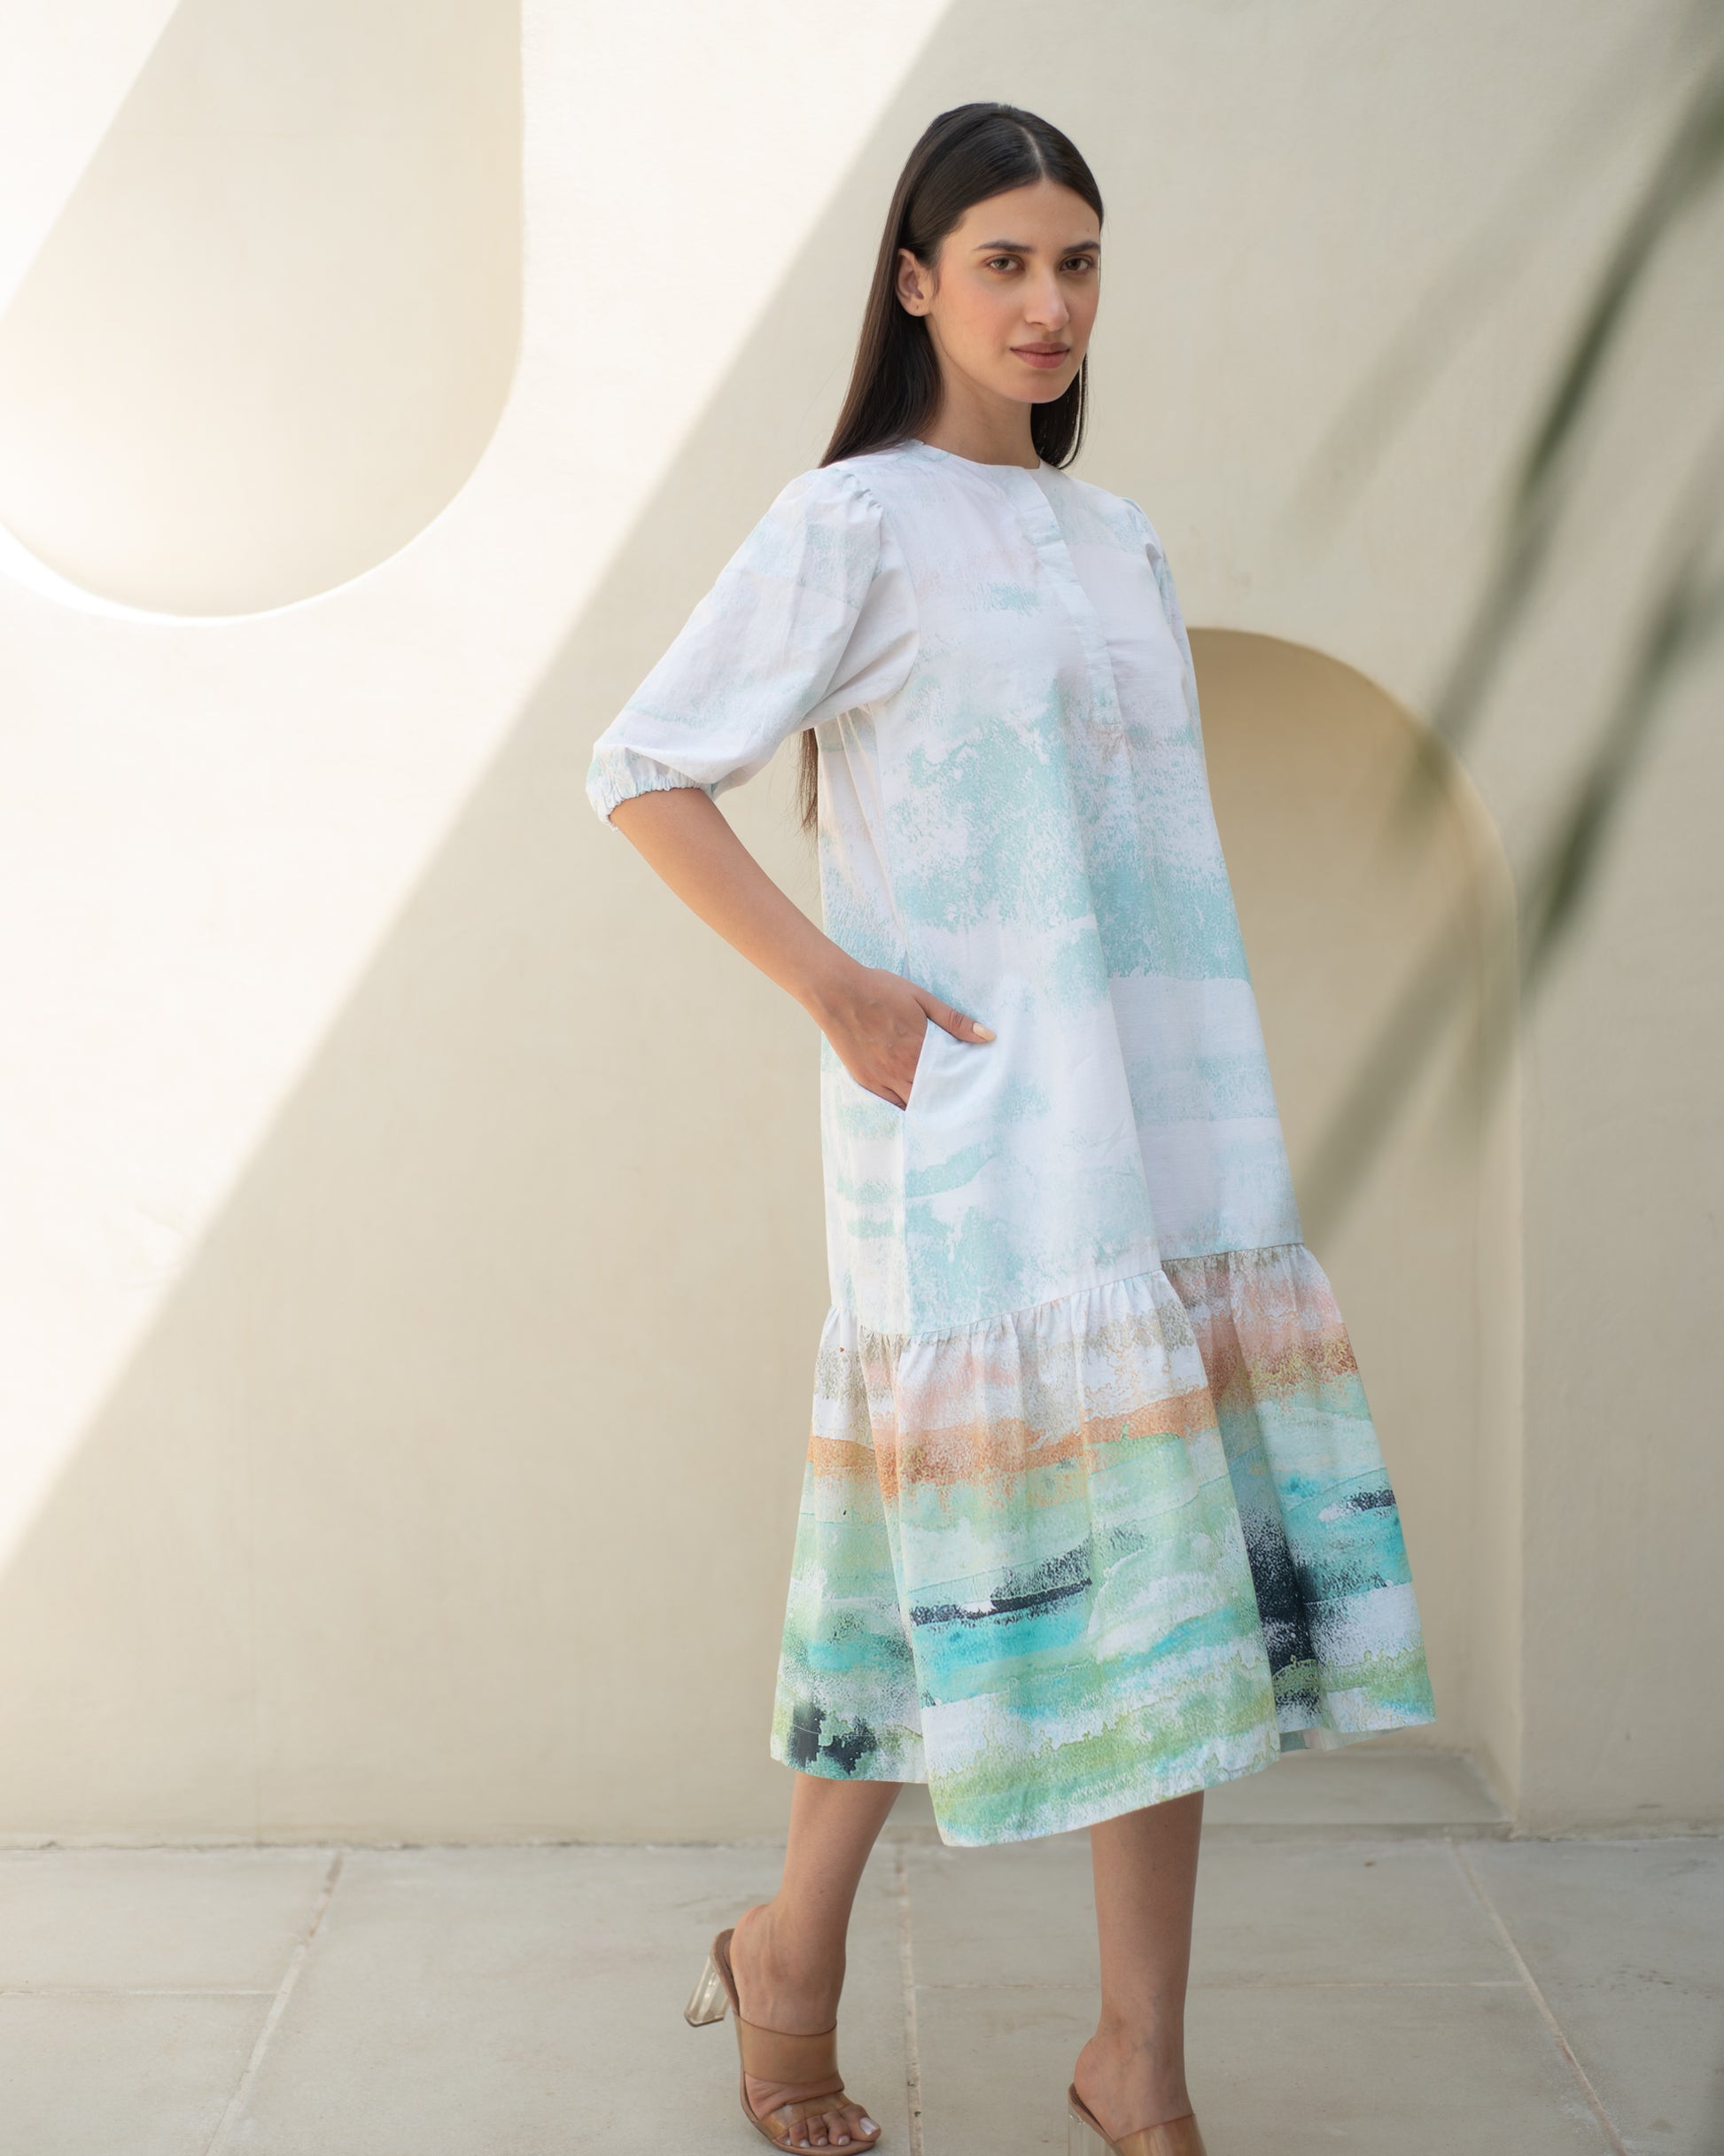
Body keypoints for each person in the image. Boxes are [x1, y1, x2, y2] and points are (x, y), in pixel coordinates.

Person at [586, 100, 1437, 2156]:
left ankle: (1126, 2048)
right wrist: (838, 989)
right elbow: (643, 766)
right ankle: (796, 1955)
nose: (1046, 303)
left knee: (1156, 1588)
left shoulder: (1113, 534)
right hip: (972, 1148)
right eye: (1003, 263)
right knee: (953, 1571)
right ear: (915, 283)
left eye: (1075, 263)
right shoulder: (853, 523)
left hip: (1164, 1129)